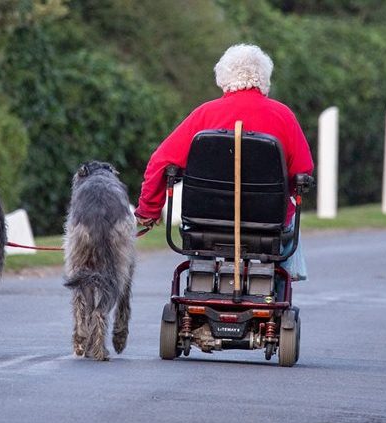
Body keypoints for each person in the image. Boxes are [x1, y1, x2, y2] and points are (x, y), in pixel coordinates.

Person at [134, 43, 314, 280]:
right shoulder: (283, 116)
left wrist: (149, 210)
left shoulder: (204, 115)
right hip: (267, 223)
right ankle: (282, 282)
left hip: (205, 221)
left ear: (223, 77)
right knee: (288, 219)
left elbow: (160, 162)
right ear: (264, 78)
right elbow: (303, 171)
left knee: (200, 237)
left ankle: (201, 279)